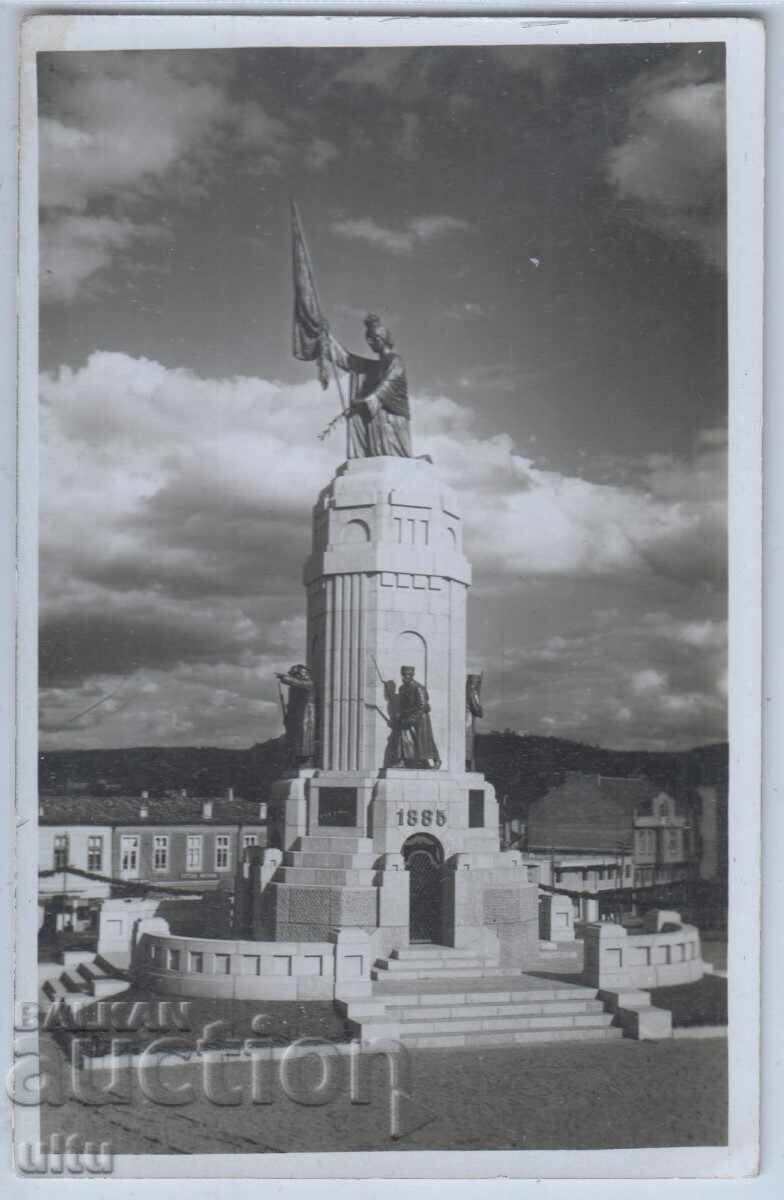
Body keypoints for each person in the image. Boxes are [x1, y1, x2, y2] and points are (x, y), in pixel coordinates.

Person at [328, 314, 412, 458]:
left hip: (390, 419)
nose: (370, 342)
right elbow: (346, 359)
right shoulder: (372, 367)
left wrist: (367, 401)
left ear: (383, 339)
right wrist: (326, 337)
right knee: (358, 419)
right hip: (375, 416)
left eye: (373, 339)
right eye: (368, 339)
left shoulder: (395, 361)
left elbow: (388, 385)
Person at [396, 666, 441, 770]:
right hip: (408, 717)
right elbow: (403, 705)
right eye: (403, 675)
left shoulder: (418, 687)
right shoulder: (402, 688)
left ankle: (436, 759)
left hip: (421, 718)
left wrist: (413, 717)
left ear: (412, 675)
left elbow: (422, 705)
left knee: (425, 741)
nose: (404, 677)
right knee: (404, 738)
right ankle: (403, 760)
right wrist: (400, 715)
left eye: (407, 675)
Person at [275, 665, 317, 767]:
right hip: (295, 716)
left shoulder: (307, 683)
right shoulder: (294, 688)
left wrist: (284, 678)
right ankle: (295, 759)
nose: (296, 676)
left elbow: (298, 683)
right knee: (294, 739)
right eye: (295, 675)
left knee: (304, 739)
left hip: (306, 715)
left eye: (297, 674)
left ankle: (305, 760)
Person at [465, 673, 484, 771]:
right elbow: (476, 709)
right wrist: (480, 711)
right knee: (468, 743)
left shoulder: (468, 690)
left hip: (467, 719)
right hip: (467, 721)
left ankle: (468, 765)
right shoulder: (471, 692)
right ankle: (467, 766)